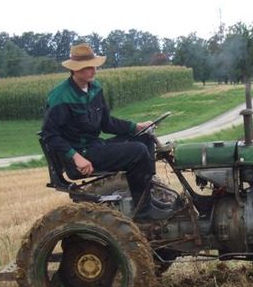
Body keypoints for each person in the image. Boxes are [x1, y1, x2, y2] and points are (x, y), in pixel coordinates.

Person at [41, 43, 173, 221]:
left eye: (93, 65)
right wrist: (75, 157)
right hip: (81, 156)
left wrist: (137, 127)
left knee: (145, 140)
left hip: (95, 147)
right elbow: (50, 135)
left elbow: (107, 123)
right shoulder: (60, 97)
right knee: (138, 151)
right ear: (75, 70)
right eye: (87, 67)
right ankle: (143, 212)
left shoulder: (95, 89)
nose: (92, 70)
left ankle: (146, 198)